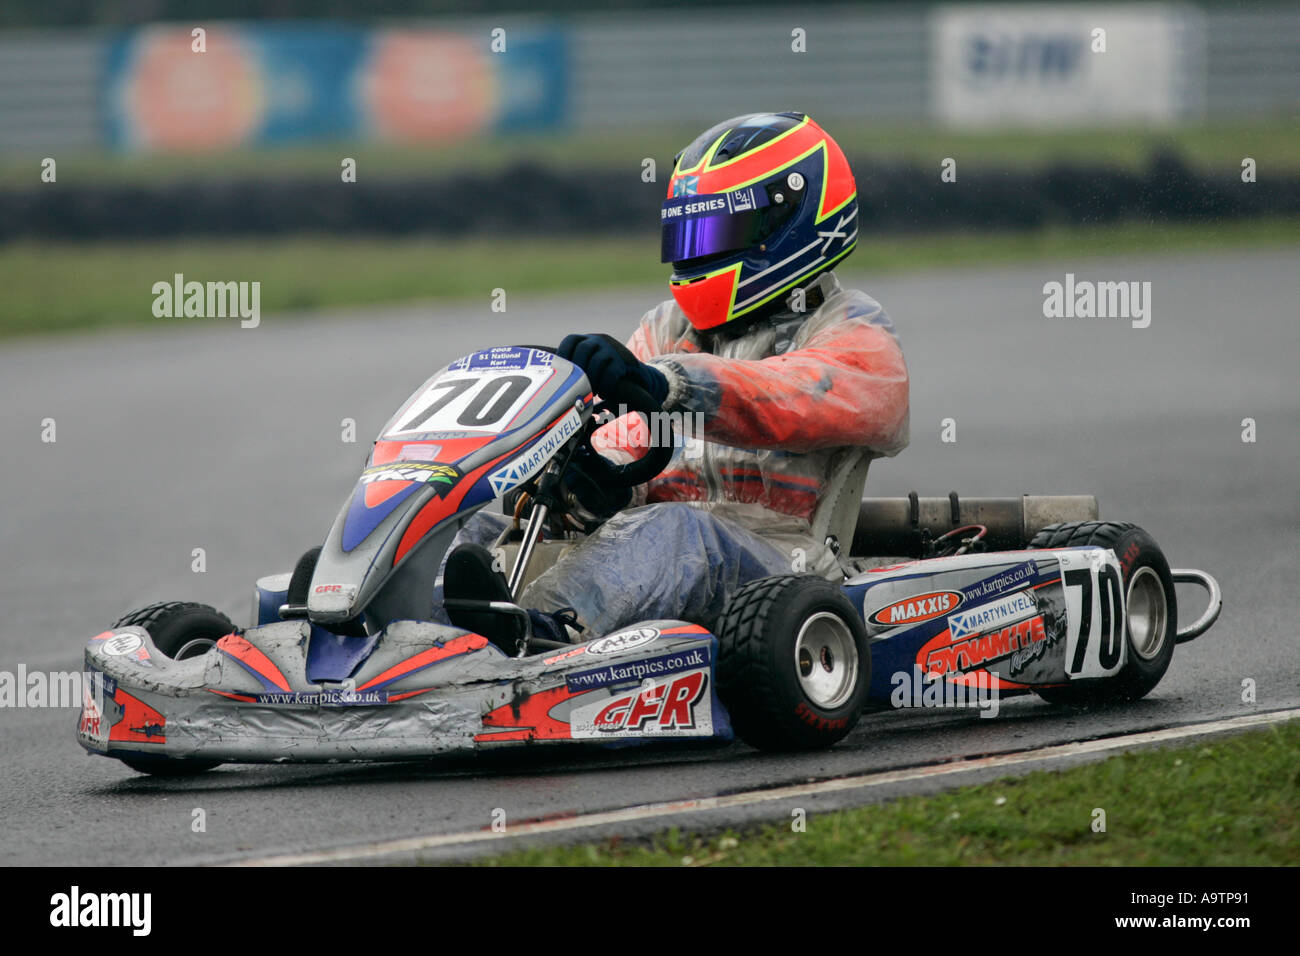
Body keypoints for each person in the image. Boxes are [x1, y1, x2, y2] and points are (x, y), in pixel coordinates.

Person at [451, 112, 909, 644]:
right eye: (687, 231)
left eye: (716, 230)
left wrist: (672, 385)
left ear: (789, 224)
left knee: (680, 530)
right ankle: (418, 630)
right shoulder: (669, 328)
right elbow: (632, 439)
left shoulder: (850, 326)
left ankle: (544, 637)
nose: (697, 249)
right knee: (484, 527)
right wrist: (592, 478)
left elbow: (793, 396)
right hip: (657, 553)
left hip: (785, 569)